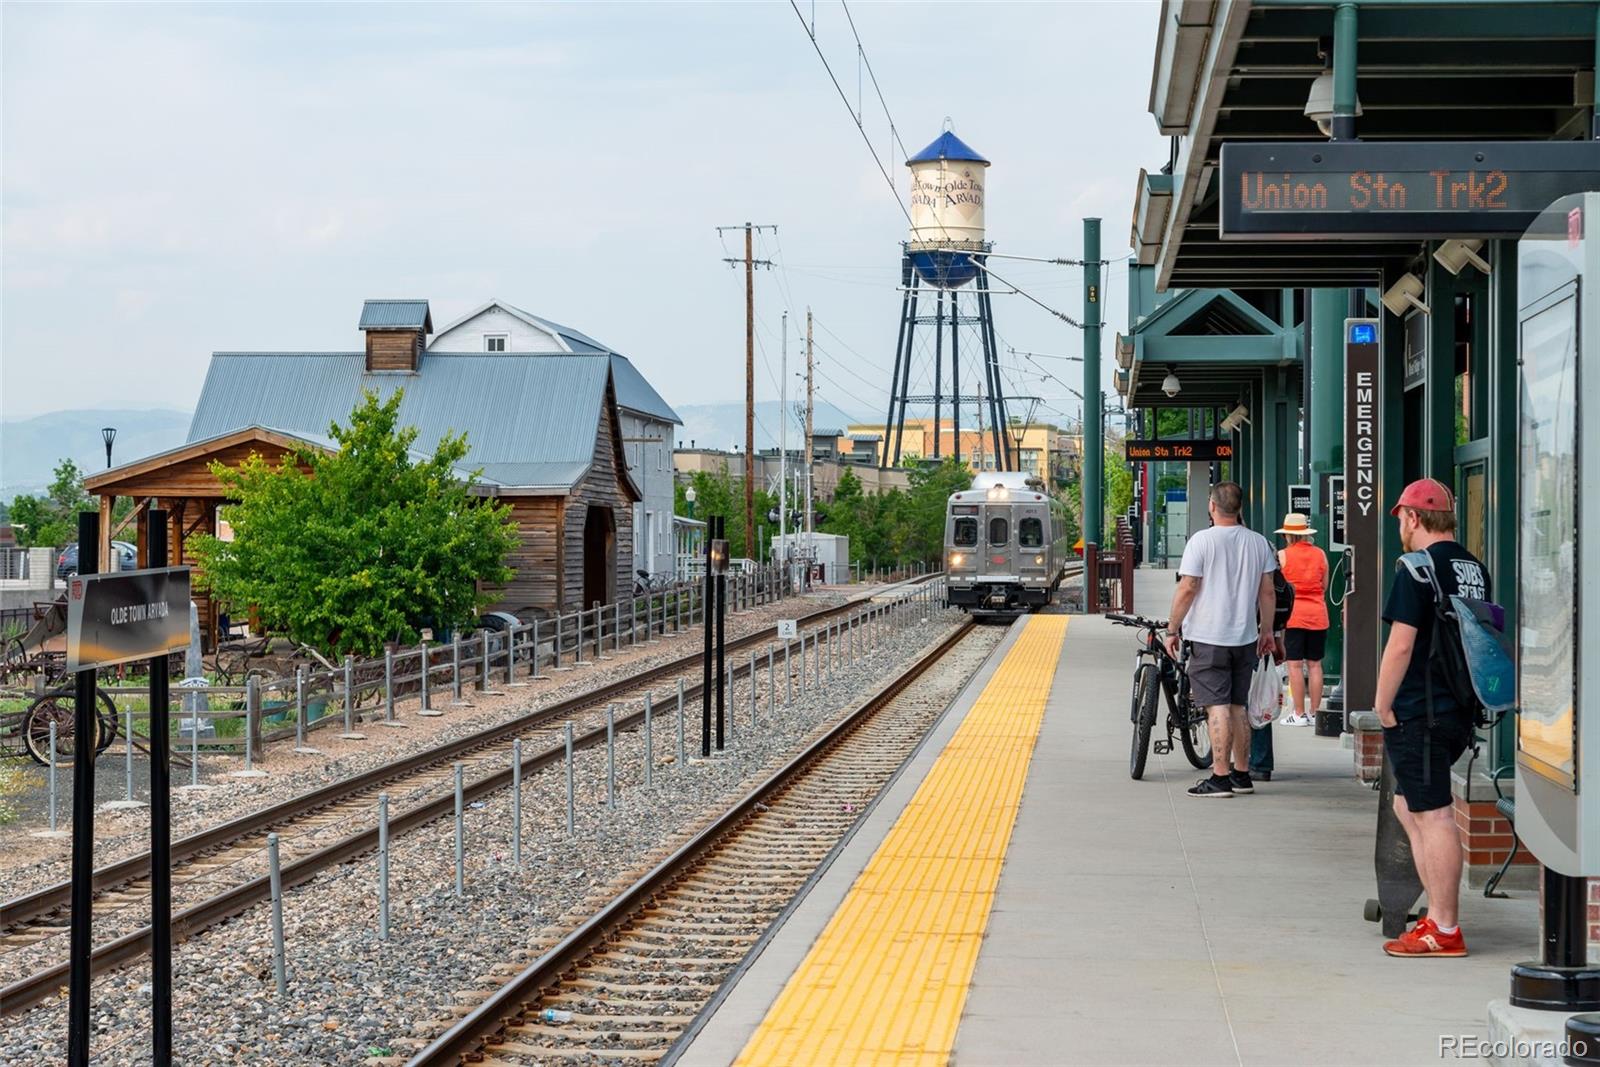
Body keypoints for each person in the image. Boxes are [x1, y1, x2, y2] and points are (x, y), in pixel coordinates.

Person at [1375, 478, 1488, 958]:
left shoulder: (1417, 568)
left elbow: (1401, 644)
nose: (1400, 525)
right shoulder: (1471, 567)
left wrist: (1382, 705)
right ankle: (1437, 920)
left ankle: (1444, 927)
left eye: (1402, 517)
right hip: (1459, 707)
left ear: (1414, 518)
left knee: (1435, 814)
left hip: (1421, 710)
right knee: (1408, 806)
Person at [1165, 482, 1278, 798]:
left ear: (1211, 506)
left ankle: (1219, 777)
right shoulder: (1259, 543)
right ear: (1240, 508)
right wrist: (1266, 631)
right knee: (1238, 706)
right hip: (1244, 637)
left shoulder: (1201, 541)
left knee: (1217, 707)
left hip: (1208, 637)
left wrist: (1172, 629)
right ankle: (1242, 775)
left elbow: (1188, 587)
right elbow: (1267, 591)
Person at [1276, 513, 1330, 727]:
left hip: (1294, 616)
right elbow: (1324, 585)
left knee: (1295, 666)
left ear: (1288, 535)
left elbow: (1279, 589)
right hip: (1318, 615)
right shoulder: (1321, 554)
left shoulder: (1282, 556)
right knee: (1315, 665)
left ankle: (1299, 714)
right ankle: (1315, 713)